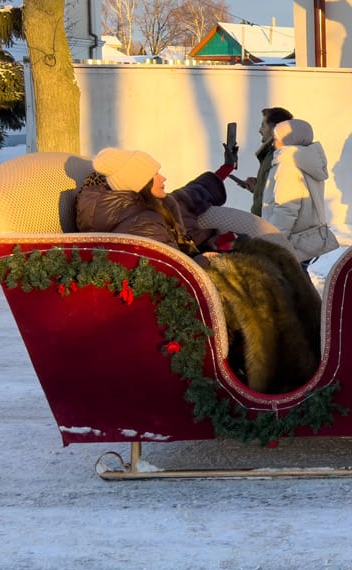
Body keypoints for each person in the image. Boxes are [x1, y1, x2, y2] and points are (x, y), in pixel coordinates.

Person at [77, 146, 320, 395]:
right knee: (260, 282)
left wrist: (226, 170)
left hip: (193, 268)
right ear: (140, 184)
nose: (164, 178)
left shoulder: (155, 206)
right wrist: (204, 258)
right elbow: (166, 274)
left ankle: (314, 352)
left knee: (275, 257)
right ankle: (277, 379)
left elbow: (193, 194)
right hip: (181, 291)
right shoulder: (141, 223)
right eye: (156, 175)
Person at [260, 118, 340, 265]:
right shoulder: (307, 161)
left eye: (276, 138)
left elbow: (286, 208)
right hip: (306, 236)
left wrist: (273, 243)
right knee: (298, 279)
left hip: (292, 239)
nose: (273, 143)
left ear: (288, 140)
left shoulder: (288, 165)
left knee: (289, 282)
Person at [228, 106, 292, 219]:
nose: (259, 130)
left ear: (274, 128)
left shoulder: (280, 155)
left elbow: (284, 198)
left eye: (263, 125)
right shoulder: (273, 153)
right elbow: (274, 190)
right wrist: (258, 186)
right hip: (264, 224)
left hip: (269, 227)